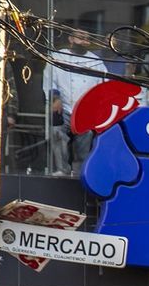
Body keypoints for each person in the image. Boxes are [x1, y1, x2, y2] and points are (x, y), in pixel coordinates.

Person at [41, 27, 108, 176]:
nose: (84, 41)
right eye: (80, 37)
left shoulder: (96, 62)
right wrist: (55, 98)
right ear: (71, 39)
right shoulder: (58, 56)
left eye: (87, 38)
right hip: (62, 106)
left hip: (85, 109)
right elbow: (49, 79)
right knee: (57, 133)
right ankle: (62, 169)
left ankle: (81, 172)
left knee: (85, 139)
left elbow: (104, 86)